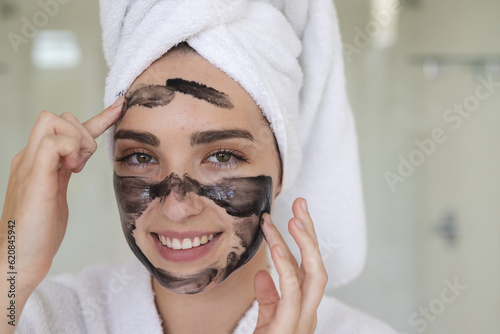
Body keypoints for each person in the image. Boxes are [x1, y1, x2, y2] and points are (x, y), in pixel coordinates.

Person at [1, 0, 396, 333]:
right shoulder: (32, 315)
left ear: (281, 171)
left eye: (222, 156)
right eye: (141, 157)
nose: (175, 206)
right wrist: (12, 260)